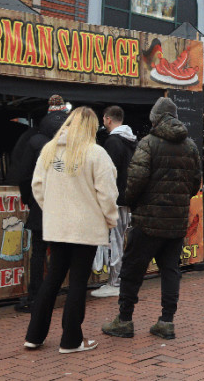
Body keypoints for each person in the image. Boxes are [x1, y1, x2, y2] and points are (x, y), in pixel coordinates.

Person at [102, 97, 201, 340]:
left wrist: (133, 202)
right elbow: (195, 183)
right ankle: (166, 321)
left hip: (147, 220)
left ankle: (124, 320)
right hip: (176, 222)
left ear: (155, 118)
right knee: (170, 271)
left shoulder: (147, 143)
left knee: (133, 270)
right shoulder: (190, 146)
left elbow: (134, 182)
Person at [24, 107, 119, 353]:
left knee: (53, 278)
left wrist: (54, 210)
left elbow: (38, 188)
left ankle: (34, 335)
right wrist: (110, 220)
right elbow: (107, 193)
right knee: (77, 281)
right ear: (92, 127)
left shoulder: (49, 150)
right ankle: (71, 340)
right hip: (85, 226)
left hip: (57, 225)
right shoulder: (96, 153)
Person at [9, 95, 68, 313]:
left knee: (39, 252)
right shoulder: (74, 141)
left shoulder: (35, 141)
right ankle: (56, 292)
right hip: (67, 204)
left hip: (42, 204)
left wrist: (29, 199)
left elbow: (24, 176)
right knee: (63, 251)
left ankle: (36, 297)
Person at [91, 106, 137, 298]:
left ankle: (115, 281)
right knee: (122, 240)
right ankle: (118, 279)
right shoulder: (134, 141)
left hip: (115, 199)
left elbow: (107, 174)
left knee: (115, 241)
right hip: (129, 198)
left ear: (108, 119)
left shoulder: (112, 142)